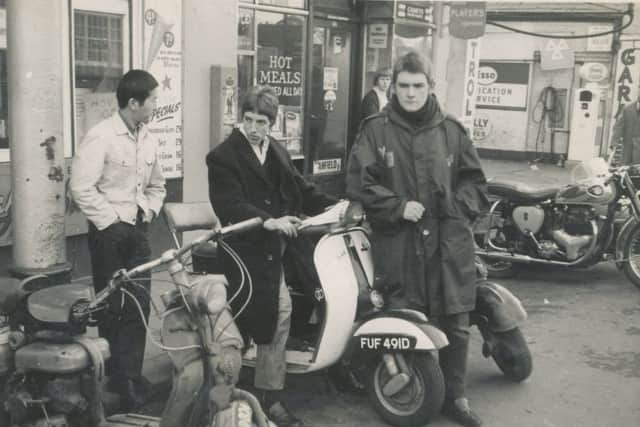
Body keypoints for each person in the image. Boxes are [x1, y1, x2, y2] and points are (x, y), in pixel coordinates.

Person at [346, 51, 488, 427]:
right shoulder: (375, 130)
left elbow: (475, 183)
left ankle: (455, 397)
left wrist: (457, 209)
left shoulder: (452, 131)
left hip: (447, 244)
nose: (411, 93)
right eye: (404, 86)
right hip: (400, 246)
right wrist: (396, 206)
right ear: (392, 86)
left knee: (455, 322)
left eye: (418, 86)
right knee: (406, 319)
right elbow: (359, 183)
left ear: (431, 86)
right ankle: (416, 389)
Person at [206, 85, 336, 427]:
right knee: (278, 311)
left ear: (272, 123)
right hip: (243, 248)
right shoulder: (223, 156)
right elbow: (229, 205)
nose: (253, 128)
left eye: (261, 121)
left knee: (313, 293)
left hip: (276, 248)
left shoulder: (275, 149)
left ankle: (274, 387)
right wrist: (269, 221)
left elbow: (299, 186)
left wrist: (334, 205)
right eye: (247, 119)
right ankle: (267, 397)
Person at [70, 69, 166, 411]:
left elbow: (158, 185)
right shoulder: (101, 136)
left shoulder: (149, 137)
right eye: (153, 99)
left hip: (138, 232)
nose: (156, 105)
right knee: (112, 307)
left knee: (138, 304)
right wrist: (110, 222)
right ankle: (116, 376)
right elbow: (80, 186)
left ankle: (132, 375)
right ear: (133, 103)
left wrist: (149, 212)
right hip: (109, 233)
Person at [610, 98, 640, 165]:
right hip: (627, 148)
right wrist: (614, 142)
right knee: (624, 169)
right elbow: (619, 127)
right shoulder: (627, 109)